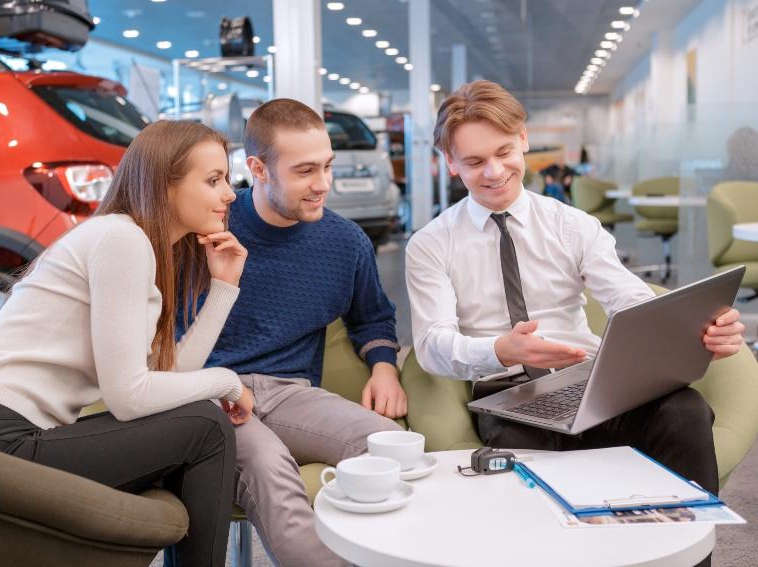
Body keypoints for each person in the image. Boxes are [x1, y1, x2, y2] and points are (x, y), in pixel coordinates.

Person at [0, 120, 255, 567]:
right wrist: (227, 382)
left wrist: (222, 288)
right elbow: (129, 398)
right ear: (165, 185)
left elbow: (164, 384)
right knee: (207, 425)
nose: (230, 194)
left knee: (199, 422)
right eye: (214, 180)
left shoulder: (126, 240)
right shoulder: (120, 237)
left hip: (7, 438)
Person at [406, 80, 744, 503]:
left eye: (504, 152)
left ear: (523, 140)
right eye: (474, 161)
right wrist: (502, 350)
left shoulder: (572, 224)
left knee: (684, 412)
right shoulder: (431, 244)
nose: (494, 172)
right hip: (508, 394)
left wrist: (690, 328)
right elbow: (433, 346)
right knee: (521, 458)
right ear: (450, 162)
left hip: (592, 381)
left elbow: (629, 299)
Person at [187, 98, 407, 567]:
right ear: (258, 169)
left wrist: (384, 368)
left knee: (392, 447)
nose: (322, 184)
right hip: (210, 395)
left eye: (327, 166)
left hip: (290, 394)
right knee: (270, 469)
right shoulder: (206, 231)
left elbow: (373, 316)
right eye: (305, 171)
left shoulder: (345, 242)